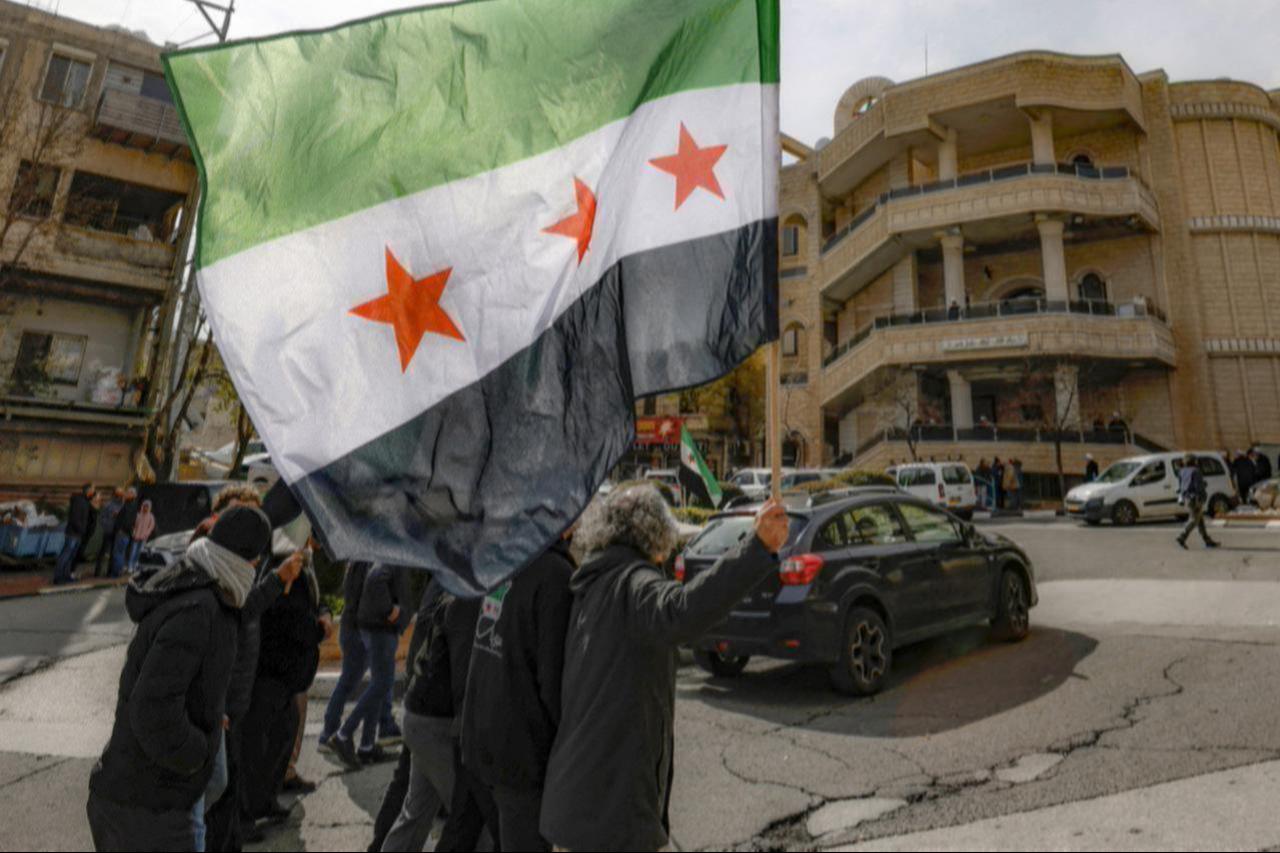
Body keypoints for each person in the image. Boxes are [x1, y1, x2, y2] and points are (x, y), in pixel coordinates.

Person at [540, 485, 788, 851]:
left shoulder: (592, 586)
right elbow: (682, 610)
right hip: (609, 812)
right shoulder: (634, 584)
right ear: (654, 533)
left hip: (576, 802)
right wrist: (757, 547)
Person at [85, 506, 273, 852]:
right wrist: (198, 754)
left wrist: (210, 716)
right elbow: (153, 709)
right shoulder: (200, 609)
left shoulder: (203, 589)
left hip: (140, 800)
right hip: (150, 809)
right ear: (249, 562)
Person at [461, 535, 575, 852]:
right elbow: (554, 684)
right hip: (521, 754)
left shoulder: (507, 559)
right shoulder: (554, 575)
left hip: (483, 741)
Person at [241, 539, 332, 828]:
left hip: (288, 680)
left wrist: (323, 614)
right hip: (271, 676)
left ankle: (266, 801)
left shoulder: (301, 571)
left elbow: (315, 603)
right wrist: (318, 630)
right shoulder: (278, 573)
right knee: (257, 750)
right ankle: (245, 816)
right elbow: (289, 621)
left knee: (282, 739)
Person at [367, 579, 447, 853]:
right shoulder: (455, 586)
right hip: (433, 708)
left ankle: (379, 845)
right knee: (471, 815)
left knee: (414, 805)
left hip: (421, 698)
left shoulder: (441, 581)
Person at [329, 564, 411, 767]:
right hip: (381, 629)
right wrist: (392, 611)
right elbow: (376, 580)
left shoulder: (386, 550)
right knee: (382, 684)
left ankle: (366, 747)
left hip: (376, 628)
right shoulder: (391, 552)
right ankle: (343, 734)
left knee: (378, 685)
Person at [1176, 452, 1220, 550]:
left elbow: (1180, 486)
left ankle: (1207, 540)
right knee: (1194, 519)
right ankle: (1182, 536)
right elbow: (1198, 487)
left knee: (1200, 520)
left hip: (1186, 498)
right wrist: (1204, 496)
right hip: (1195, 499)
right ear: (1194, 461)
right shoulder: (1196, 471)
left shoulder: (1181, 471)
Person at [54, 483, 95, 585]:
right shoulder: (79, 501)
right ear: (88, 491)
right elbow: (75, 518)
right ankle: (58, 576)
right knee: (66, 555)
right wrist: (81, 530)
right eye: (93, 490)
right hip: (73, 533)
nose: (94, 493)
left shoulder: (85, 502)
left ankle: (66, 575)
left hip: (77, 534)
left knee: (71, 556)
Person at [94, 488, 124, 578]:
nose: (120, 496)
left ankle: (110, 572)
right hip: (108, 531)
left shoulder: (123, 505)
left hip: (118, 533)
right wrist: (109, 523)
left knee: (114, 553)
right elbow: (102, 518)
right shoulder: (108, 505)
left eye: (121, 494)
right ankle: (98, 572)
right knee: (103, 552)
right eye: (118, 494)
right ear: (114, 495)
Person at [111, 487, 139, 579]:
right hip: (126, 533)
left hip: (122, 532)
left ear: (132, 495)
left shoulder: (129, 505)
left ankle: (116, 573)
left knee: (118, 553)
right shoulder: (132, 505)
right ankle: (118, 571)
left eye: (128, 493)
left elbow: (126, 520)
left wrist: (120, 529)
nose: (125, 494)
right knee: (121, 553)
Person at [128, 500, 157, 572]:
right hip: (136, 537)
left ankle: (135, 565)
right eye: (144, 506)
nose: (145, 508)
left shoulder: (151, 517)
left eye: (147, 507)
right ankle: (130, 566)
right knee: (133, 552)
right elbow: (134, 525)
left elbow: (151, 527)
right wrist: (134, 533)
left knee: (140, 552)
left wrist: (146, 534)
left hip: (144, 538)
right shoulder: (138, 515)